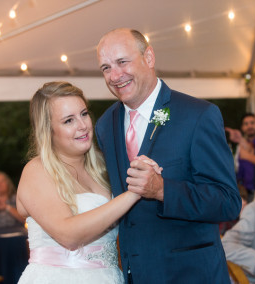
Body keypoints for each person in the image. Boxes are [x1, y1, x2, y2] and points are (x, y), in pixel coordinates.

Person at [95, 28, 241, 283]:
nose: (115, 76)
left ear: (149, 58)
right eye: (106, 68)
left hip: (190, 274)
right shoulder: (106, 124)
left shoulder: (197, 115)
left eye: (122, 62)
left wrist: (163, 190)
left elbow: (227, 202)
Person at [17, 81, 161, 284]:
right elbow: (69, 235)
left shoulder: (104, 166)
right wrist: (135, 191)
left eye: (83, 114)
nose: (82, 125)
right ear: (48, 130)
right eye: (68, 121)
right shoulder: (37, 170)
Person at [226, 113, 255, 201]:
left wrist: (240, 139)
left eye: (252, 123)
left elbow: (253, 152)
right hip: (245, 192)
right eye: (246, 124)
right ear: (242, 127)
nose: (249, 126)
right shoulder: (240, 146)